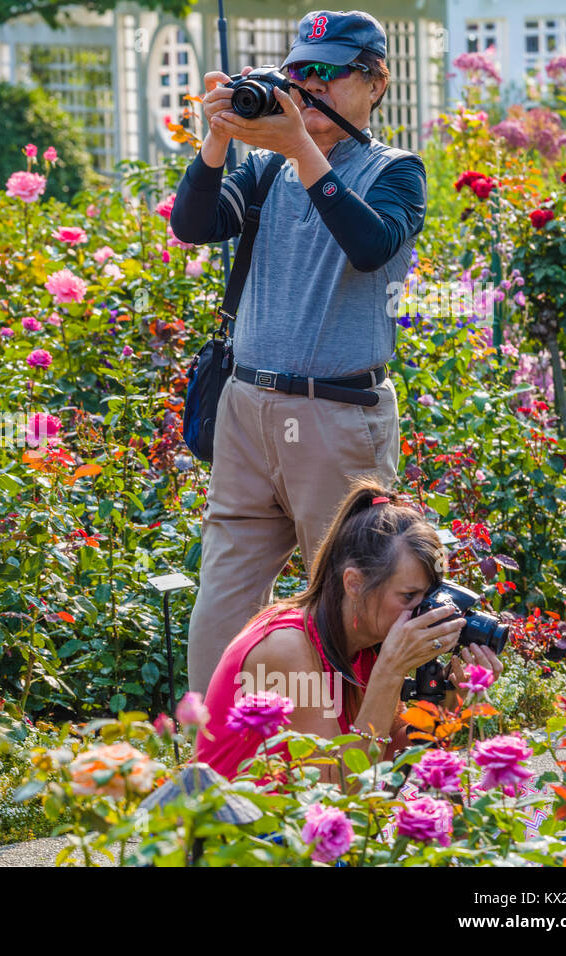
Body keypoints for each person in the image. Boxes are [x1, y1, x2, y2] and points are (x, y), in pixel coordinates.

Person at [171, 10, 429, 697]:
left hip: (338, 418)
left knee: (360, 606)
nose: (306, 87)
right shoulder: (264, 173)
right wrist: (218, 140)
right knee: (221, 603)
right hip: (248, 410)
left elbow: (370, 245)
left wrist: (300, 147)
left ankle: (359, 777)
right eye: (296, 73)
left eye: (325, 72)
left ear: (375, 82)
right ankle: (213, 768)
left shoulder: (394, 171)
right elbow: (192, 225)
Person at [195, 478, 503, 783]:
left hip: (291, 823)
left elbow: (387, 758)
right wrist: (391, 672)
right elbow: (336, 790)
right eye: (409, 597)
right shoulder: (288, 648)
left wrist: (449, 697)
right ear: (354, 584)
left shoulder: (366, 641)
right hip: (236, 827)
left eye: (430, 598)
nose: (425, 612)